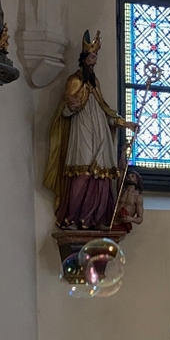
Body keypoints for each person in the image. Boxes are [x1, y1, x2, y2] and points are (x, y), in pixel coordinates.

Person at [44, 30, 137, 229]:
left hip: (100, 133)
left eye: (96, 57)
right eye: (92, 56)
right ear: (84, 58)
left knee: (101, 175)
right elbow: (65, 111)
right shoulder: (74, 80)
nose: (94, 61)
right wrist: (71, 106)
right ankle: (73, 218)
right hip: (82, 132)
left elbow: (105, 110)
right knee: (82, 173)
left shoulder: (95, 83)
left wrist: (125, 124)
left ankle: (96, 219)